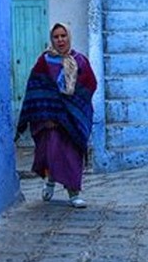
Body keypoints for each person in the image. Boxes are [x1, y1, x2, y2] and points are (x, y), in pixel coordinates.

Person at [16, 23, 97, 208]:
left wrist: (74, 107)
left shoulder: (80, 61)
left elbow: (89, 86)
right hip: (50, 120)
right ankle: (51, 180)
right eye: (56, 37)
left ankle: (74, 192)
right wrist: (47, 115)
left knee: (71, 155)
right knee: (52, 153)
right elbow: (36, 88)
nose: (60, 40)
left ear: (69, 37)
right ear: (52, 39)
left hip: (72, 120)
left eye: (63, 36)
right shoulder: (44, 61)